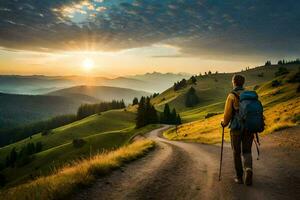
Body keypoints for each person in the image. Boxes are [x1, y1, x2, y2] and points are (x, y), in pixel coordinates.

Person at [221, 74, 254, 186]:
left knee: (236, 152)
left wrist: (224, 123)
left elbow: (227, 115)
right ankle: (248, 169)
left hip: (236, 128)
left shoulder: (231, 95)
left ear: (234, 82)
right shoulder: (249, 95)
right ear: (243, 83)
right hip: (249, 127)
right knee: (247, 151)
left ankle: (239, 177)